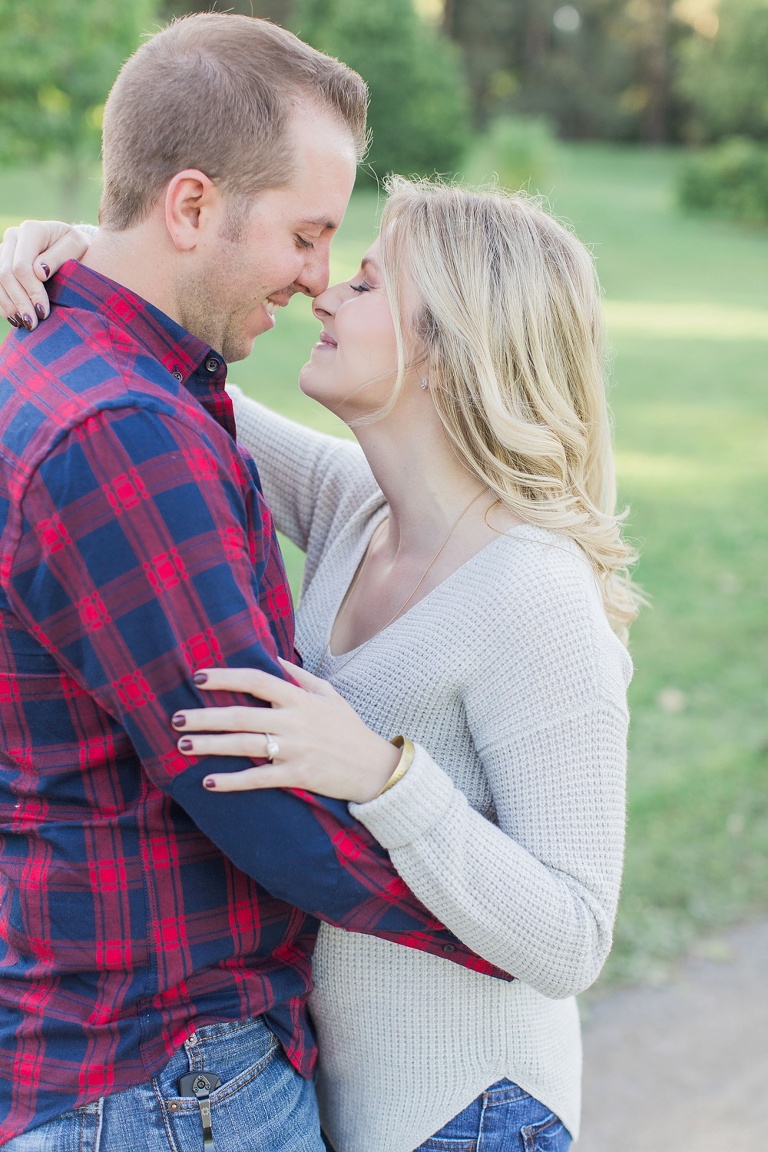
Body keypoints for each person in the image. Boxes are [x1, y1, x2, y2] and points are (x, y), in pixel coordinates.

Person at [6, 176, 638, 1148]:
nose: (323, 294)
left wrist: (385, 777)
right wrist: (68, 246)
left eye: (370, 284)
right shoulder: (360, 504)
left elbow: (574, 936)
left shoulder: (535, 594)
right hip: (329, 1089)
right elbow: (166, 383)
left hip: (469, 1117)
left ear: (451, 350)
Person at [0, 16, 508, 1151]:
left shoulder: (84, 370)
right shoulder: (125, 431)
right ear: (190, 208)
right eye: (308, 233)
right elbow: (259, 791)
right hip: (169, 1082)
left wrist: (87, 239)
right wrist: (510, 925)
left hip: (110, 1060)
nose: (320, 278)